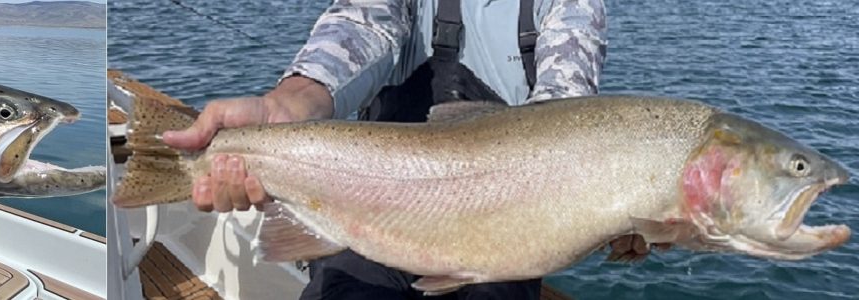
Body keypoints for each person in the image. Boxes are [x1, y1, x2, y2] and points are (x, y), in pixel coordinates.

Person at [162, 0, 615, 299]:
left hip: (504, 235)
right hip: (364, 216)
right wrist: (289, 103)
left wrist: (615, 211)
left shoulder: (569, 5)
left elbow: (568, 116)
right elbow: (359, 28)